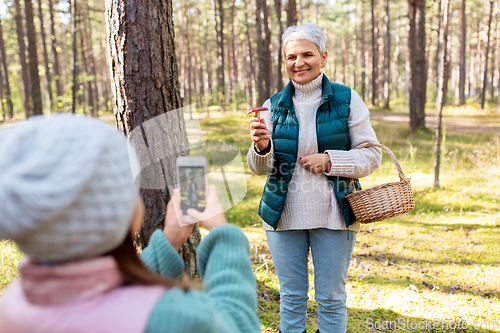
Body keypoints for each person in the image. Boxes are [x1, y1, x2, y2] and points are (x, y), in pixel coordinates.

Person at [0, 115, 260, 333]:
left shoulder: (14, 303)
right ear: (114, 212)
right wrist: (223, 233)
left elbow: (97, 290)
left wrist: (169, 241)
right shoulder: (171, 316)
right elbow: (237, 323)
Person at [247, 23, 382, 333]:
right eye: (291, 57)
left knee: (331, 299)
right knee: (291, 298)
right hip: (282, 215)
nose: (299, 63)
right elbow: (258, 168)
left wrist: (331, 160)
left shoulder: (347, 99)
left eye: (307, 54)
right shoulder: (272, 106)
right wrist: (261, 147)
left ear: (323, 56)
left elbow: (372, 156)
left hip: (335, 213)